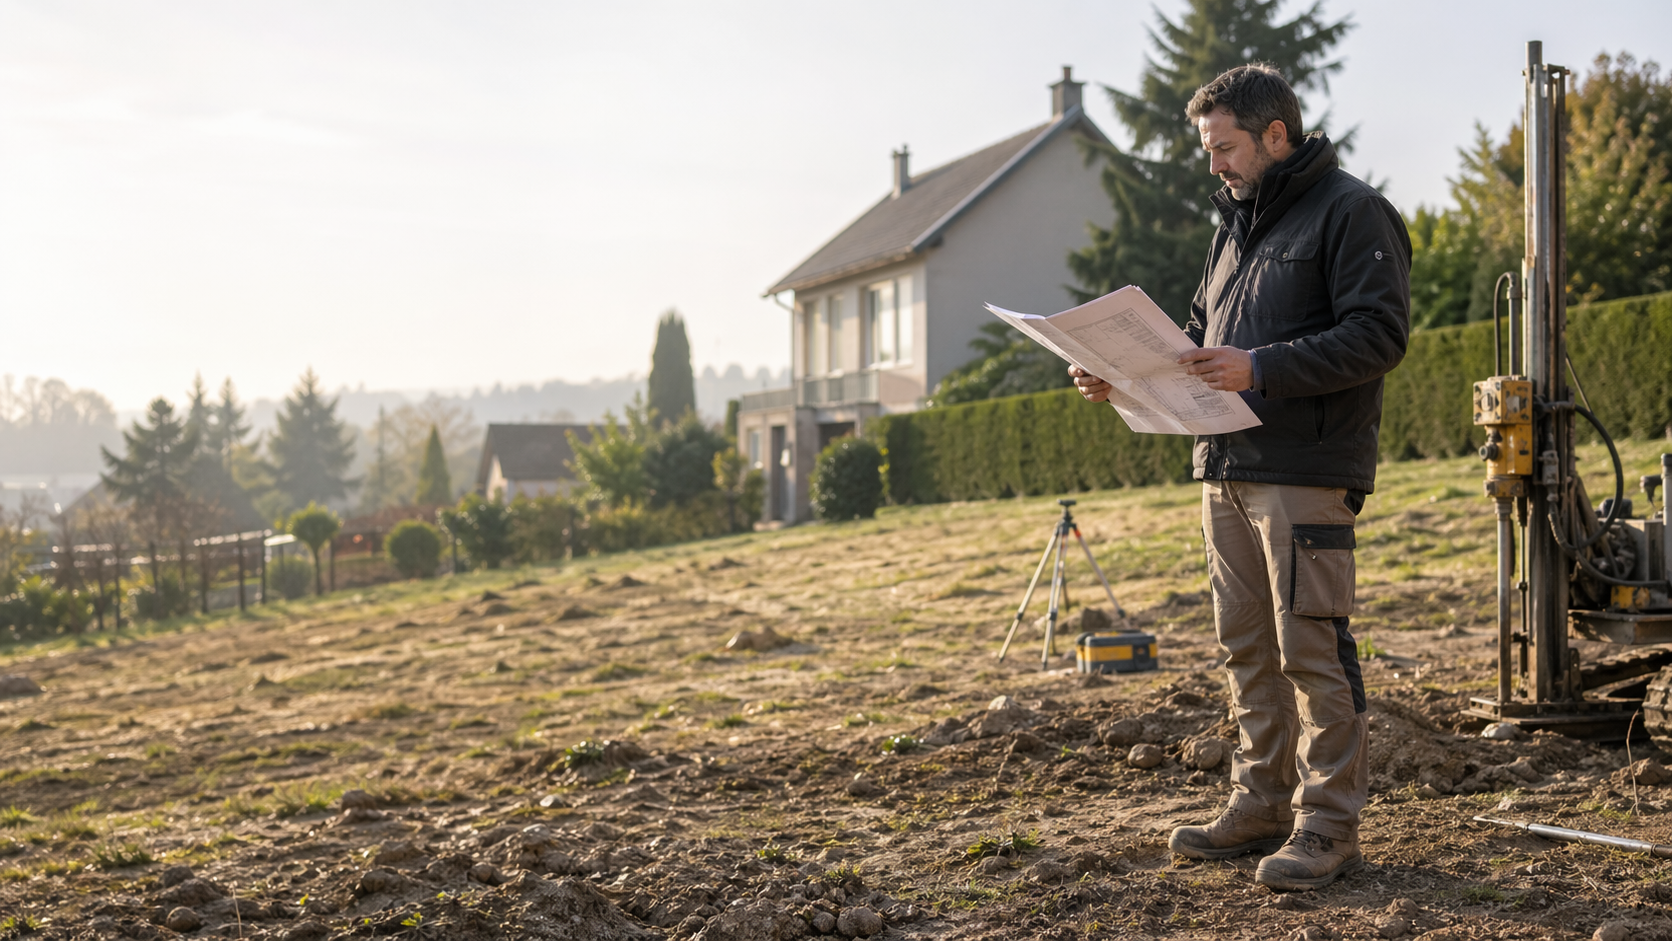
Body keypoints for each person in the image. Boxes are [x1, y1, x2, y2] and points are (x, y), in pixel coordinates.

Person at [1071, 64, 1410, 891]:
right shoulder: (1234, 228)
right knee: (1245, 648)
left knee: (1311, 648)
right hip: (1222, 469)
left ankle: (1328, 825)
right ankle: (1260, 802)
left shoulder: (1352, 211)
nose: (1213, 165)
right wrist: (1120, 373)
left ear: (1275, 136)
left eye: (1223, 148)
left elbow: (1378, 335)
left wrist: (1258, 365)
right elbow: (1194, 339)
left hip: (1303, 472)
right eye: (1207, 150)